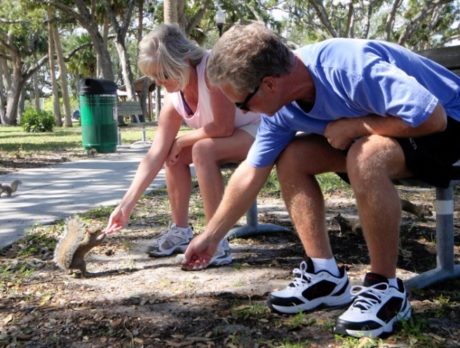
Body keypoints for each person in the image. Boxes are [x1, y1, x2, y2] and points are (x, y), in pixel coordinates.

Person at [182, 22, 460, 338]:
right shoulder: (281, 108)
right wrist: (212, 235)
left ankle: (386, 288)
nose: (241, 112)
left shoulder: (348, 68)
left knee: (366, 154)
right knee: (293, 157)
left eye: (241, 104)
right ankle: (324, 274)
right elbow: (251, 170)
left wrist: (359, 126)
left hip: (448, 128)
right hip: (392, 134)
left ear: (269, 85)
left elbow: (432, 117)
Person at [105, 24, 260, 267]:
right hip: (229, 136)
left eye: (165, 74)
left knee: (201, 149)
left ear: (185, 60)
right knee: (172, 155)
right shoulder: (174, 96)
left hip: (258, 128)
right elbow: (155, 153)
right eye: (155, 76)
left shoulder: (212, 71)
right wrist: (126, 205)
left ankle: (216, 240)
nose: (160, 81)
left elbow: (223, 127)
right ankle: (180, 230)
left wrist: (183, 139)